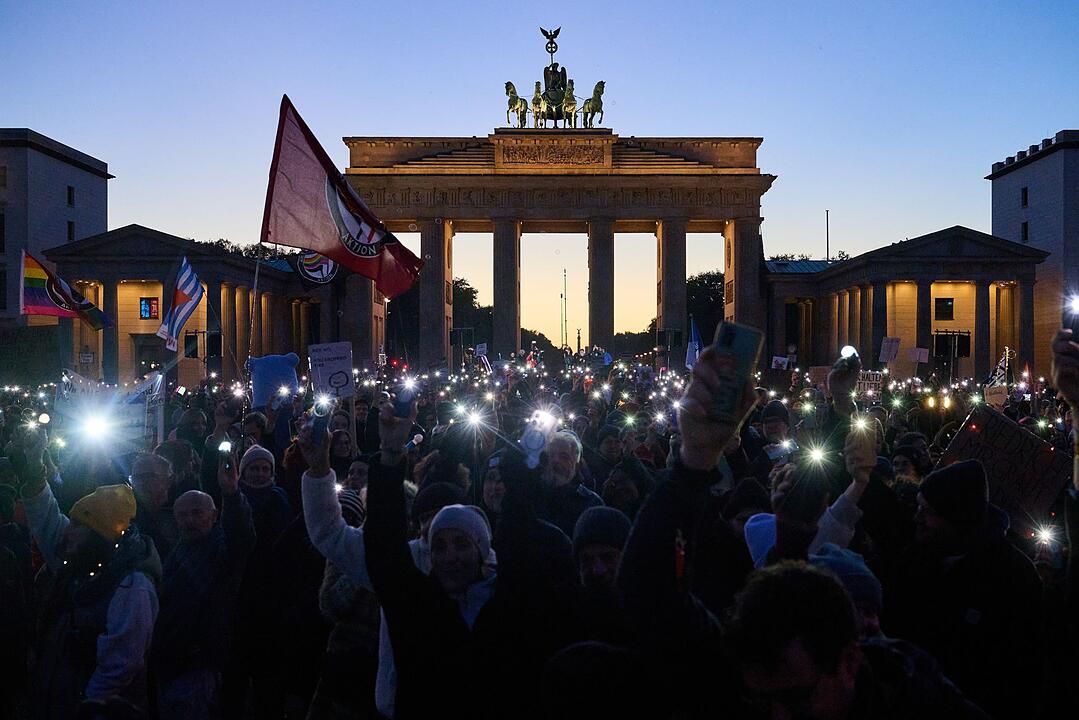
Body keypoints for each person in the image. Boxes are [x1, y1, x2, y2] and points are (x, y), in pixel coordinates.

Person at [858, 456, 1045, 716]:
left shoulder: (1012, 574)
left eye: (928, 512)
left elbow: (1023, 666)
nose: (917, 518)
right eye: (919, 508)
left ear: (956, 517)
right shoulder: (917, 553)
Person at [728, 562, 987, 719]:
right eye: (762, 700)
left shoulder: (930, 707)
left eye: (796, 698)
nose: (780, 717)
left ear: (850, 662)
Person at [21, 469, 161, 719]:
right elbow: (48, 523)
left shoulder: (132, 585)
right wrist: (34, 474)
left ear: (100, 533)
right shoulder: (81, 564)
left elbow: (121, 663)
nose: (68, 532)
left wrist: (87, 705)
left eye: (78, 525)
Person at [152, 451, 256, 720]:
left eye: (197, 513)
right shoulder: (175, 552)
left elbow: (240, 535)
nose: (190, 520)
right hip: (169, 656)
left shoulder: (222, 549)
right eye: (183, 515)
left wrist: (231, 492)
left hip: (200, 661)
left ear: (214, 515)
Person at [534, 431, 603, 537]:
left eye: (564, 457)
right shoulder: (531, 495)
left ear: (577, 466)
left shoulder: (591, 504)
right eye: (551, 455)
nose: (555, 461)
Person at [130, 453, 180, 561]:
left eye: (148, 476)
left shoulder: (184, 511)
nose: (141, 483)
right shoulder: (129, 516)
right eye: (135, 478)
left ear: (169, 479)